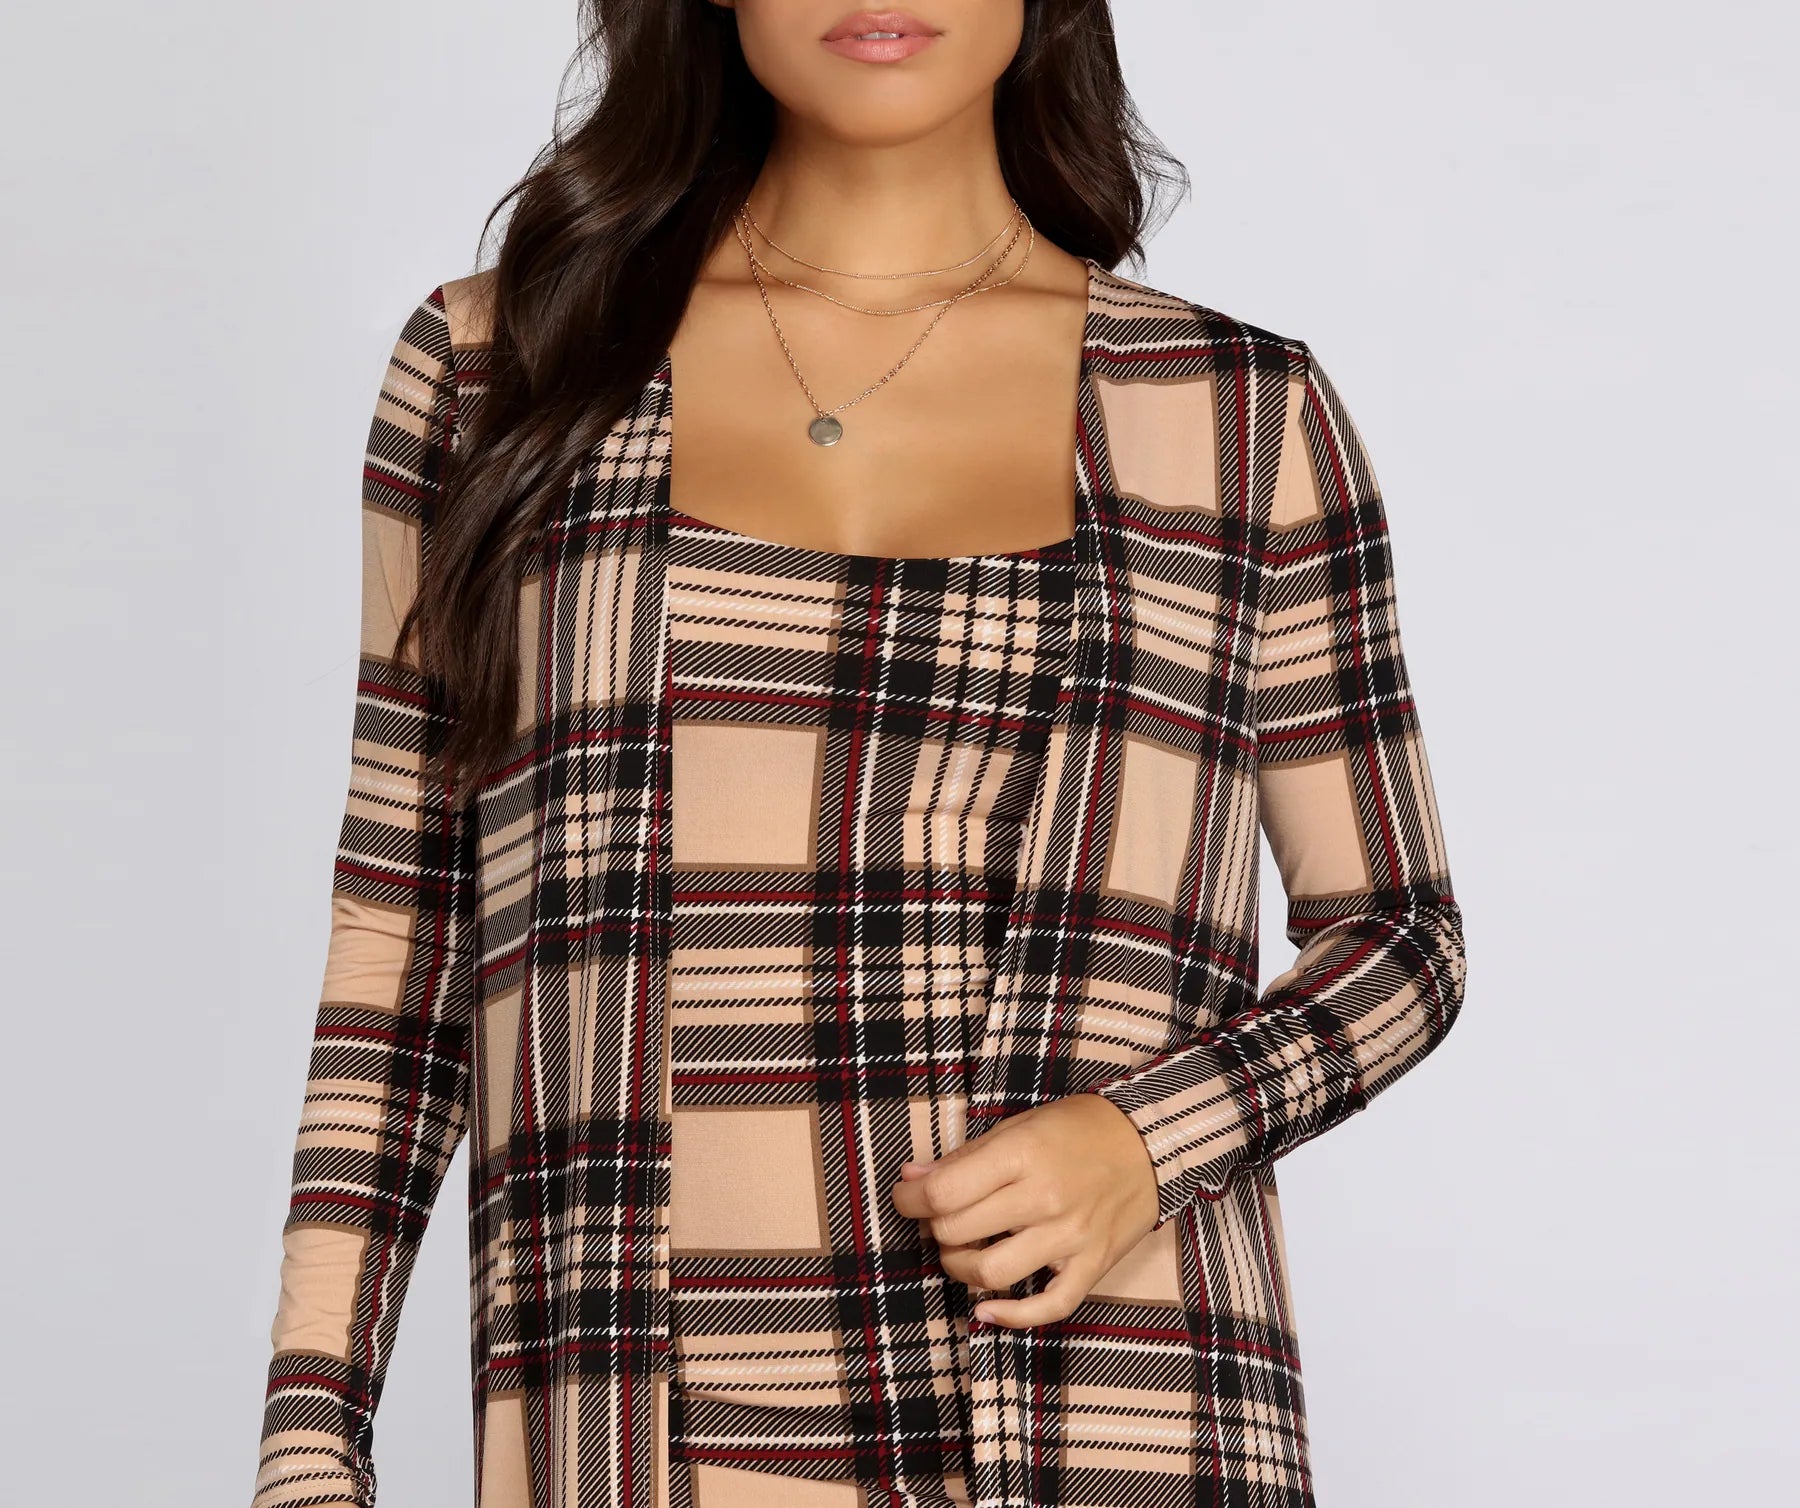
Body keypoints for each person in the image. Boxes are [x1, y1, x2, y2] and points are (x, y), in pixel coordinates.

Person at [249, 4, 1469, 1506]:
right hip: (628, 1420)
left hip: (1101, 1409)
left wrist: (1145, 1143)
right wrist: (310, 1444)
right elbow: (402, 938)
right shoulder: (499, 368)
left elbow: (1402, 932)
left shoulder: (1236, 413)